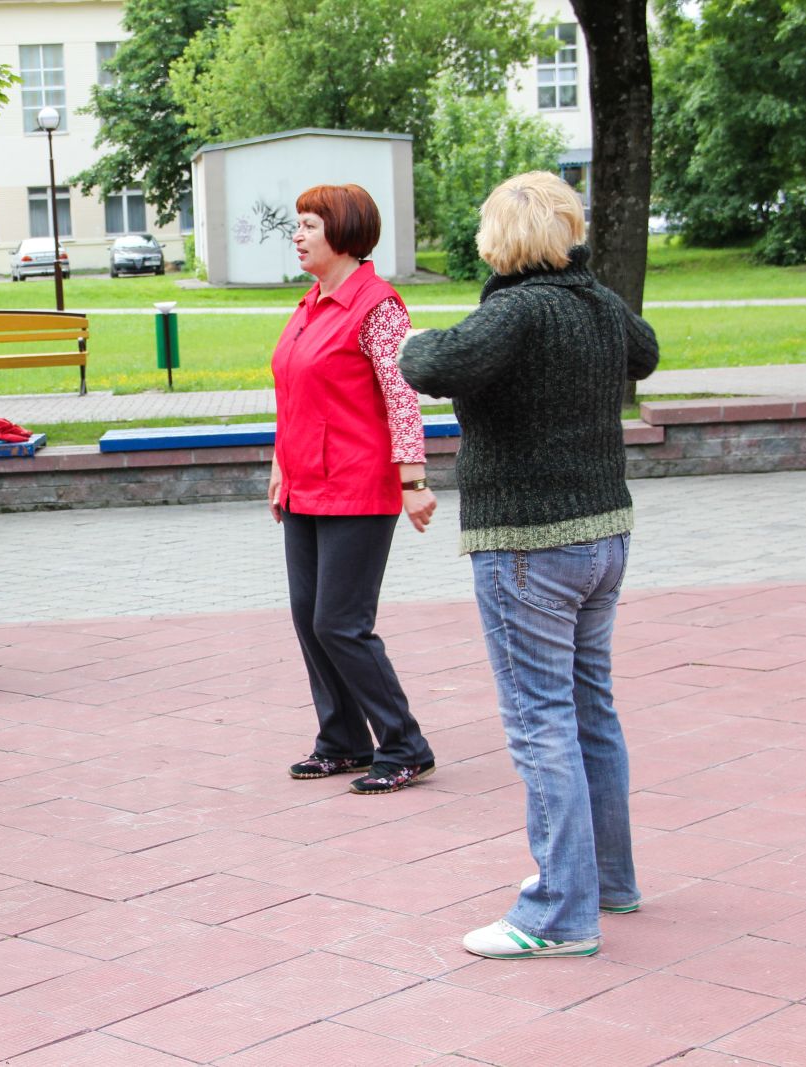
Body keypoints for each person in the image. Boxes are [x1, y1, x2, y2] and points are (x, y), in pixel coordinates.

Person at [398, 171, 659, 960]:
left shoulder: (515, 310)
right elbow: (643, 352)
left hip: (528, 547)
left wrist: (410, 339)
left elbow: (431, 365)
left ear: (501, 239)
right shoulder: (596, 303)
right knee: (590, 712)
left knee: (540, 721)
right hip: (604, 538)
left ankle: (558, 912)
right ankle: (608, 878)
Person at [270, 183, 438, 796]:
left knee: (341, 622)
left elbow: (401, 398)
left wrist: (413, 480)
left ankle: (404, 745)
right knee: (309, 619)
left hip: (359, 485)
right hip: (305, 486)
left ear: (342, 231)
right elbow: (294, 393)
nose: (298, 235)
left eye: (310, 224)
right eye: (298, 224)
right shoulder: (312, 302)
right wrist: (279, 467)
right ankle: (342, 742)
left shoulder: (378, 306)